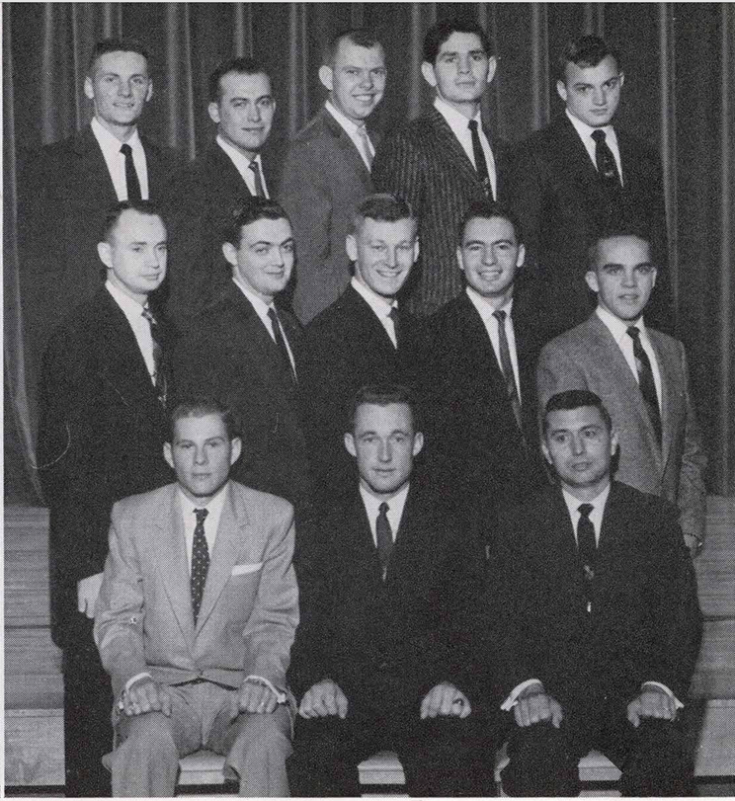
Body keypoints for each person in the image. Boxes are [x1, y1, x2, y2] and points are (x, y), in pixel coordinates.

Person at [490, 390, 702, 797]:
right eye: (561, 438)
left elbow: (680, 618)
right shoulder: (517, 525)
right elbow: (499, 621)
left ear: (613, 439)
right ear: (545, 451)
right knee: (536, 765)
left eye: (589, 433)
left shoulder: (653, 519)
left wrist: (658, 685)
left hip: (633, 697)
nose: (577, 449)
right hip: (551, 698)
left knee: (663, 762)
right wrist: (528, 687)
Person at [287, 386, 495, 797]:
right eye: (370, 439)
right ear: (350, 444)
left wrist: (455, 681)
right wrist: (317, 680)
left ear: (417, 443)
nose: (384, 456)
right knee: (315, 752)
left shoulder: (456, 520)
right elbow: (299, 621)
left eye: (397, 439)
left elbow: (478, 622)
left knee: (457, 752)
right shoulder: (318, 524)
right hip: (345, 698)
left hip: (428, 697)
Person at [36, 200, 173, 796]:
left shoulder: (163, 327)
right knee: (93, 738)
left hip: (151, 556)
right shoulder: (77, 337)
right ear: (105, 255)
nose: (152, 260)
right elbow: (66, 472)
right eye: (137, 248)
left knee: (143, 732)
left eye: (161, 248)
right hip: (97, 568)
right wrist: (90, 565)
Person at [94, 397, 298, 797]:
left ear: (235, 450)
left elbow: (273, 620)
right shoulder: (132, 517)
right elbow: (117, 620)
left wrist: (262, 677)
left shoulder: (271, 517)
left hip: (240, 688)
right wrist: (135, 679)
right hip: (161, 689)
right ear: (170, 454)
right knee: (144, 742)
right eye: (188, 446)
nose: (200, 460)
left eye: (214, 445)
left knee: (265, 741)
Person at [19, 38, 181, 375]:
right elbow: (41, 282)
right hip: (87, 358)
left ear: (150, 90)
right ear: (89, 88)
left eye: (136, 80)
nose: (125, 92)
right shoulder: (47, 168)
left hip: (165, 353)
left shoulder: (175, 167)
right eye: (111, 80)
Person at [537, 232, 706, 553]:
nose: (630, 283)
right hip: (606, 548)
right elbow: (569, 461)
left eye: (641, 270)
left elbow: (690, 452)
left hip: (671, 546)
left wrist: (690, 530)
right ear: (592, 280)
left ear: (654, 277)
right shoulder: (564, 354)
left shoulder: (673, 351)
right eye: (615, 270)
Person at [508, 35, 672, 338]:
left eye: (608, 85)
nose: (600, 100)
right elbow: (525, 267)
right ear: (562, 90)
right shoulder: (533, 155)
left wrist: (663, 338)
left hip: (638, 334)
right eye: (584, 88)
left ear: (621, 81)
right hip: (564, 336)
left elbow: (656, 253)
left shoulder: (644, 156)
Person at [172, 197, 311, 519]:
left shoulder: (291, 326)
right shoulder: (206, 333)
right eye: (262, 249)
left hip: (295, 512)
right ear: (231, 254)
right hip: (246, 514)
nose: (279, 260)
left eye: (287, 247)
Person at [372, 18, 511, 316]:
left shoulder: (500, 148)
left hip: (492, 319)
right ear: (428, 72)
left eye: (475, 57)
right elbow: (394, 245)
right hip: (432, 321)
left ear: (492, 68)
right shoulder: (408, 143)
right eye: (451, 59)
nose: (465, 69)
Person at [424, 201, 549, 524]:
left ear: (520, 255)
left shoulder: (546, 330)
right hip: (473, 521)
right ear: (459, 257)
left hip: (545, 510)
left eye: (502, 247)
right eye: (476, 247)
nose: (490, 260)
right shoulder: (432, 338)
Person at [299, 194, 422, 509]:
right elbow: (325, 456)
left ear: (417, 249)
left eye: (403, 247)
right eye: (378, 247)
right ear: (352, 249)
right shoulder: (324, 336)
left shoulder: (422, 331)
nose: (392, 261)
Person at [279, 28, 386, 324]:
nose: (367, 83)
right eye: (353, 72)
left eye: (376, 72)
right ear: (327, 77)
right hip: (337, 325)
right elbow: (307, 266)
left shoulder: (378, 141)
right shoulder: (309, 148)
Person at [162, 57, 277, 327]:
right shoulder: (190, 184)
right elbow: (186, 297)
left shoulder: (284, 172)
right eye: (240, 104)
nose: (255, 116)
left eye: (263, 102)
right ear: (214, 112)